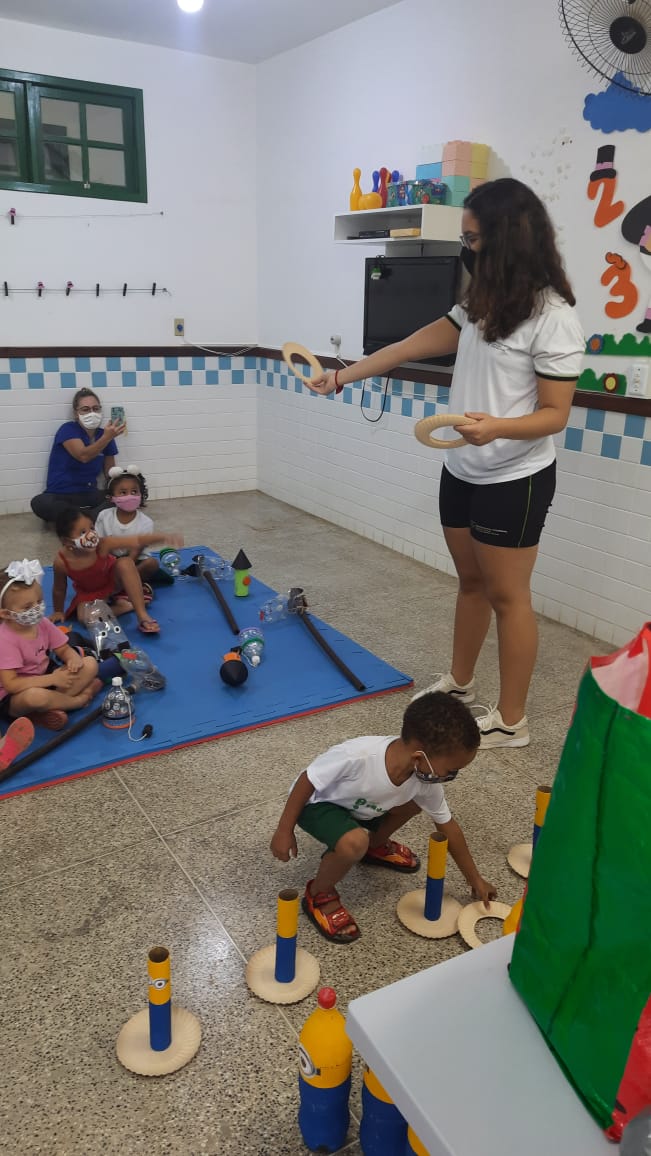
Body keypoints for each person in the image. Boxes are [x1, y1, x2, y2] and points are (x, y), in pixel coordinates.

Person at [308, 178, 584, 749]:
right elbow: (408, 346)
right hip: (461, 468)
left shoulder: (554, 317)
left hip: (515, 476)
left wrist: (497, 427)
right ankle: (459, 682)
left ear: (507, 240)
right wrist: (341, 377)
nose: (467, 249)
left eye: (473, 239)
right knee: (470, 582)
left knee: (509, 596)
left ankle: (511, 721)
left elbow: (555, 415)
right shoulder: (480, 304)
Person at [270, 692, 495, 944]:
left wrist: (474, 879)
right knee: (354, 842)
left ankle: (373, 846)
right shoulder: (358, 756)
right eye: (451, 772)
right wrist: (284, 829)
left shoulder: (423, 779)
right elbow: (308, 780)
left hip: (363, 808)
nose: (450, 777)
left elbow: (448, 827)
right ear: (419, 758)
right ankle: (319, 894)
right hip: (317, 804)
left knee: (414, 804)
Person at [0, 559, 100, 731]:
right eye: (27, 607)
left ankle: (48, 708)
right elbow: (12, 685)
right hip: (16, 694)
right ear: (5, 614)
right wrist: (53, 679)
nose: (37, 609)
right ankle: (77, 700)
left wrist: (72, 658)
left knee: (90, 664)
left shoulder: (42, 623)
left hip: (48, 677)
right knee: (35, 697)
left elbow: (62, 648)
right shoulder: (5, 640)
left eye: (39, 601)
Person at [51, 508, 183, 635]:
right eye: (82, 532)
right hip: (90, 593)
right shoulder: (61, 562)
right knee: (85, 619)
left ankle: (142, 614)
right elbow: (59, 588)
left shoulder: (103, 544)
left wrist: (163, 537)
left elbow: (137, 540)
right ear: (67, 541)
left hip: (114, 582)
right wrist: (58, 611)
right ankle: (125, 606)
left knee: (125, 563)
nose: (91, 535)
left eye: (92, 528)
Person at [31, 388, 125, 524]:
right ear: (76, 413)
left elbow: (110, 473)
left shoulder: (104, 434)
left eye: (96, 408)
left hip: (89, 494)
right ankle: (88, 517)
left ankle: (75, 519)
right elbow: (83, 456)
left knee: (120, 498)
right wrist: (106, 438)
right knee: (39, 502)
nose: (92, 413)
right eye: (85, 409)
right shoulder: (68, 429)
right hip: (61, 494)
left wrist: (123, 491)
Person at [94, 466, 173, 588]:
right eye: (123, 492)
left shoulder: (146, 522)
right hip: (110, 560)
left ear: (141, 494)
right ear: (111, 497)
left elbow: (137, 550)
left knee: (152, 563)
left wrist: (126, 569)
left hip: (135, 561)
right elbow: (100, 544)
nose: (129, 496)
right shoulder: (104, 516)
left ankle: (124, 584)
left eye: (134, 492)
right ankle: (126, 584)